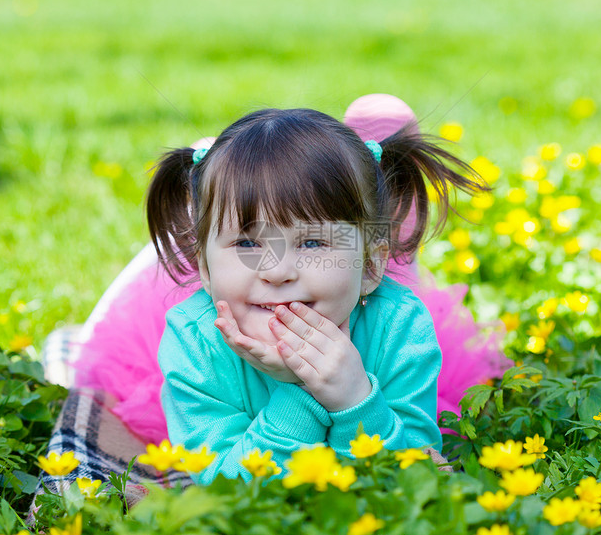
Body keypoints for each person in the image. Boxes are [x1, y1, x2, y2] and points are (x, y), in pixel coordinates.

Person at [141, 104, 493, 484]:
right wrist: (304, 391)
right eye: (247, 242)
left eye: (311, 242)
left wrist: (354, 399)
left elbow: (414, 482)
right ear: (205, 271)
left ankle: (383, 248)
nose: (277, 271)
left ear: (372, 267)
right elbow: (228, 489)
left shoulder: (400, 328)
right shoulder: (194, 342)